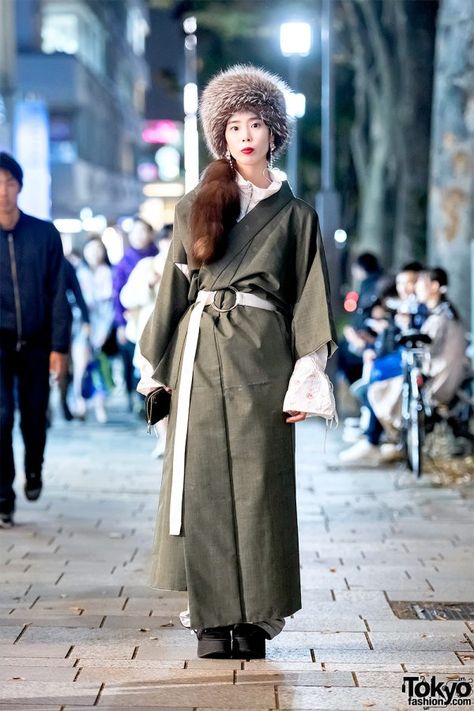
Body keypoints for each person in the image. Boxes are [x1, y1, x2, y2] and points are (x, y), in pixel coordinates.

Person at [137, 65, 337, 659]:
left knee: (260, 483)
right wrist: (154, 365)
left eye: (255, 123)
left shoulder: (297, 217)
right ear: (219, 136)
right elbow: (173, 290)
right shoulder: (197, 204)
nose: (244, 134)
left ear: (274, 133)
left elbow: (310, 298)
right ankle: (212, 620)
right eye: (232, 125)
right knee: (201, 483)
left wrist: (307, 376)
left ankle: (255, 619)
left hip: (263, 356)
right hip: (200, 351)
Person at [0, 152, 69, 527]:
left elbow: (59, 294)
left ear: (20, 186)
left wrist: (59, 348)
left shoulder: (44, 234)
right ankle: (3, 496)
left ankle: (33, 469)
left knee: (33, 417)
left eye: (9, 182)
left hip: (38, 341)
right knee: (0, 415)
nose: (3, 191)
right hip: (0, 342)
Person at [113, 217, 158, 410]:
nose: (139, 236)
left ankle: (148, 400)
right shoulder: (124, 261)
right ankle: (135, 398)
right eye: (136, 232)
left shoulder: (159, 257)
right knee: (132, 360)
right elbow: (117, 293)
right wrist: (120, 324)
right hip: (131, 320)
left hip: (153, 318)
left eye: (143, 231)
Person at [74, 236, 115, 423]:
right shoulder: (78, 273)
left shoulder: (109, 273)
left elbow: (111, 306)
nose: (95, 253)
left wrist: (105, 331)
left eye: (99, 249)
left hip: (102, 328)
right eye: (91, 249)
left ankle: (100, 406)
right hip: (81, 326)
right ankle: (80, 402)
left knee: (99, 367)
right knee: (81, 366)